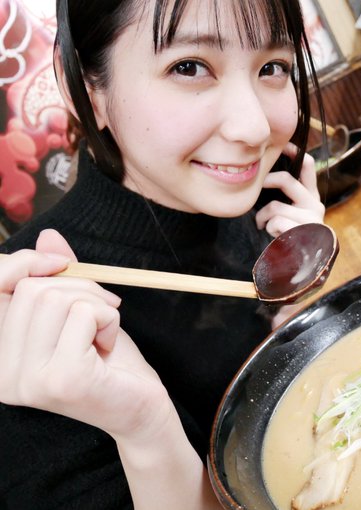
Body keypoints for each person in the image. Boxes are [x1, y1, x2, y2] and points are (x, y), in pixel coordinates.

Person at [0, 0, 326, 508]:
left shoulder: (252, 200)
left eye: (272, 67)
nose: (254, 128)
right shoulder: (26, 315)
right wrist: (146, 430)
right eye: (189, 67)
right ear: (86, 89)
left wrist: (299, 286)